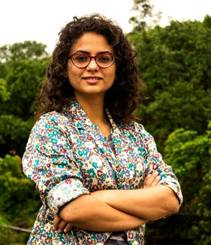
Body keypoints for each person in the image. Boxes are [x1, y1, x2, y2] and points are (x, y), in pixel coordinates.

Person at [22, 14, 183, 245]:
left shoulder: (136, 134)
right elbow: (75, 210)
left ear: (118, 67)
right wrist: (146, 208)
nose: (93, 66)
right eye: (81, 58)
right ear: (64, 66)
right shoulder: (52, 128)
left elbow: (170, 199)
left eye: (104, 58)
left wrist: (97, 198)